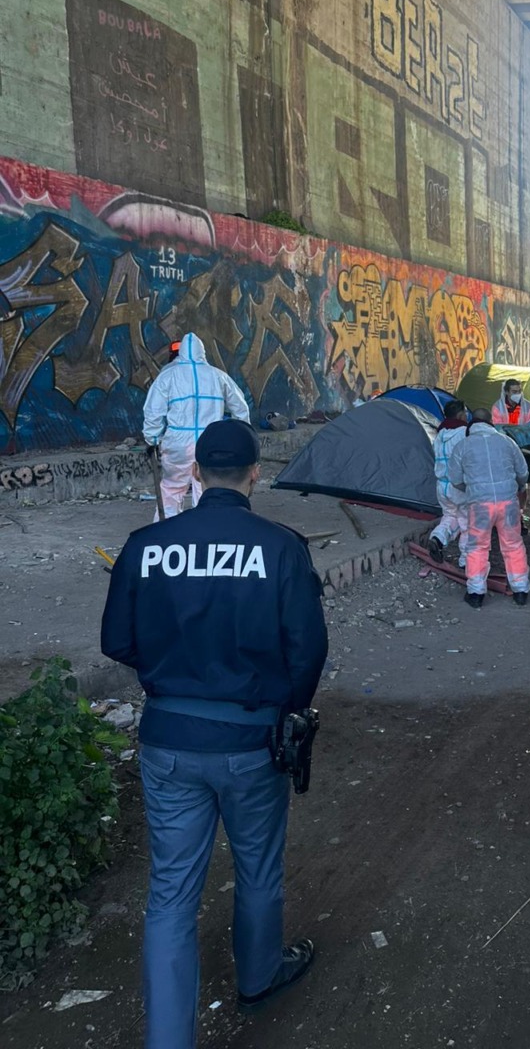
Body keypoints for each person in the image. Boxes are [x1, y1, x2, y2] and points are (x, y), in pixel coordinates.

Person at [101, 420, 328, 1048]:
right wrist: (288, 710)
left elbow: (117, 640)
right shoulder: (281, 548)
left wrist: (175, 672)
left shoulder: (146, 544)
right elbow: (307, 649)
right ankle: (258, 979)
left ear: (196, 472)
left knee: (171, 893)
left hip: (168, 740)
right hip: (254, 742)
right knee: (258, 869)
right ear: (255, 473)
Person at [143, 332, 250, 520]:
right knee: (206, 489)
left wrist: (152, 439)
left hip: (178, 443)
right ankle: (205, 531)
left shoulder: (167, 376)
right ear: (203, 352)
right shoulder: (218, 376)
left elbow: (153, 411)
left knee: (171, 489)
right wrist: (240, 436)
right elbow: (240, 407)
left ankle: (165, 532)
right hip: (210, 443)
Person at [448, 406, 530, 608]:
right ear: (491, 423)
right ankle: (520, 590)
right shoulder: (507, 442)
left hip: (480, 505)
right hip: (508, 502)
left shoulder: (462, 446)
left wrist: (471, 488)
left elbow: (455, 479)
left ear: (471, 425)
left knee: (477, 547)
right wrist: (518, 486)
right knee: (513, 544)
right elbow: (523, 472)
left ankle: (476, 594)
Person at [429, 399, 470, 566]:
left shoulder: (439, 435)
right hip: (459, 486)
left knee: (450, 515)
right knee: (468, 522)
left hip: (442, 486)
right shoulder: (465, 433)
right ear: (461, 414)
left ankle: (437, 538)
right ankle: (466, 561)